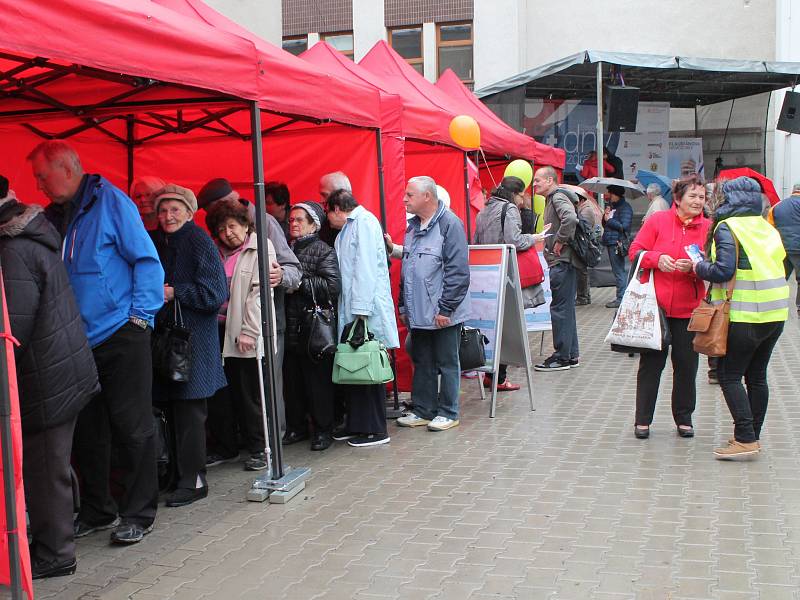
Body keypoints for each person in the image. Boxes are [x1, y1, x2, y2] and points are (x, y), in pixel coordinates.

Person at [28, 140, 164, 545]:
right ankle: (98, 509)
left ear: (65, 169)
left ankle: (138, 512)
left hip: (121, 334)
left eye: (41, 176)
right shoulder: (54, 216)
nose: (38, 185)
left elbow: (146, 259)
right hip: (76, 341)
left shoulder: (111, 202)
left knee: (133, 426)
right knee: (88, 430)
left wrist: (141, 317)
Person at [0, 184, 99, 578]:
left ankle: (56, 554)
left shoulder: (12, 251)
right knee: (53, 466)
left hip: (46, 378)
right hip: (60, 368)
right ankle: (55, 540)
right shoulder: (29, 234)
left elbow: (13, 330)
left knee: (45, 470)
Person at [694, 176, 790, 459]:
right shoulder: (765, 227)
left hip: (745, 314)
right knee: (757, 376)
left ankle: (745, 438)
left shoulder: (728, 227)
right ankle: (752, 436)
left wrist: (700, 266)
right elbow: (783, 266)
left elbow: (723, 271)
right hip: (775, 314)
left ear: (727, 199)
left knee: (729, 374)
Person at [198, 177, 301, 435]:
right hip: (228, 324)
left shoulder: (264, 222)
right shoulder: (219, 240)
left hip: (265, 320)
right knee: (241, 389)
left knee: (264, 386)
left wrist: (281, 277)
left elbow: (293, 268)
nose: (225, 231)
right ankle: (250, 440)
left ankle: (272, 441)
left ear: (228, 201)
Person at [150, 184, 228, 506]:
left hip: (193, 344)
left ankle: (195, 481)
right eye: (163, 210)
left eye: (175, 210)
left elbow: (215, 294)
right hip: (166, 342)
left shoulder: (199, 242)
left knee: (190, 413)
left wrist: (175, 292)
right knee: (169, 410)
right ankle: (176, 475)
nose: (168, 216)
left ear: (189, 212)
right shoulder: (157, 241)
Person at [627, 174, 711, 440]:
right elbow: (635, 250)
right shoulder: (658, 221)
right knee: (651, 365)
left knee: (687, 367)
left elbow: (714, 264)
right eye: (693, 196)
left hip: (690, 310)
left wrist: (696, 268)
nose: (698, 201)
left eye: (702, 197)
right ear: (678, 198)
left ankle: (684, 419)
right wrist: (657, 258)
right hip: (656, 307)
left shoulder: (709, 227)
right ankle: (643, 420)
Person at [205, 199, 277, 470]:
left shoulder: (260, 247)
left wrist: (249, 330)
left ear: (245, 224)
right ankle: (226, 446)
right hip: (215, 329)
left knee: (249, 393)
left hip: (242, 330)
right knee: (221, 393)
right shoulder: (214, 251)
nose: (228, 233)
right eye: (221, 229)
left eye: (233, 226)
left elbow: (260, 294)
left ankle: (259, 448)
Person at [326, 189, 399, 447]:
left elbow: (365, 267)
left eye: (328, 213)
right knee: (353, 365)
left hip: (364, 308)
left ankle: (374, 428)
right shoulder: (349, 227)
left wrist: (360, 310)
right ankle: (358, 423)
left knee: (367, 363)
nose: (328, 220)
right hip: (355, 307)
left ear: (337, 208)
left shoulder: (365, 222)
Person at [396, 177, 470, 431]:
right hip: (418, 311)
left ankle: (449, 412)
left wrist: (445, 308)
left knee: (447, 361)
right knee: (423, 359)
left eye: (409, 195)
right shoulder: (412, 227)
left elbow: (458, 271)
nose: (404, 199)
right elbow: (407, 269)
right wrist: (404, 306)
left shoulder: (450, 224)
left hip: (442, 312)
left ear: (427, 196)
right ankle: (423, 410)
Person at [473, 176, 543, 388]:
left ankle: (489, 372)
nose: (524, 199)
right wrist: (535, 238)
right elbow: (515, 240)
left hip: (487, 273)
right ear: (516, 193)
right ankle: (499, 377)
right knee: (506, 326)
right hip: (506, 273)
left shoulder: (484, 209)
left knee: (493, 325)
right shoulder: (510, 209)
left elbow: (476, 241)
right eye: (523, 195)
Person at [283, 202, 341, 450]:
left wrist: (300, 284)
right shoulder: (285, 248)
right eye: (292, 220)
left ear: (313, 224)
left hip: (312, 325)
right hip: (290, 324)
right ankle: (297, 427)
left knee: (317, 383)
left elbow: (332, 287)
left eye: (299, 220)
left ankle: (323, 430)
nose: (294, 224)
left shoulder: (323, 251)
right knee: (292, 382)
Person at [532, 166, 580, 371]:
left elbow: (570, 219)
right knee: (566, 309)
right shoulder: (555, 199)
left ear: (550, 180)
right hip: (564, 262)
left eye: (537, 181)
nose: (534, 185)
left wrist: (560, 241)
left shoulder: (558, 197)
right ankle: (571, 355)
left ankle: (561, 357)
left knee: (560, 309)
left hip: (562, 261)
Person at [601, 185, 633, 308]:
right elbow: (607, 225)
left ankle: (621, 298)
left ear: (616, 195)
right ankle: (621, 297)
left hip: (617, 243)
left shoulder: (625, 208)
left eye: (611, 194)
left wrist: (609, 220)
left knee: (619, 271)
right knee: (617, 271)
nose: (609, 196)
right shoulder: (613, 207)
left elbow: (624, 226)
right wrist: (605, 218)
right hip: (611, 242)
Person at [770, 182, 800, 315]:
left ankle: (773, 304)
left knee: (780, 278)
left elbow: (769, 226)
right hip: (798, 249)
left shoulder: (777, 206)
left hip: (781, 248)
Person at [574, 186, 602, 305]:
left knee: (582, 271)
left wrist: (575, 218)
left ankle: (583, 297)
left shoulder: (586, 210)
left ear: (580, 200)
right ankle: (585, 296)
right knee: (582, 271)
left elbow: (583, 227)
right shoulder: (583, 208)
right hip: (584, 243)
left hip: (584, 243)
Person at [318, 171, 352, 246]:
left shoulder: (363, 223)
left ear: (341, 194)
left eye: (325, 195)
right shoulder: (324, 223)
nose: (321, 200)